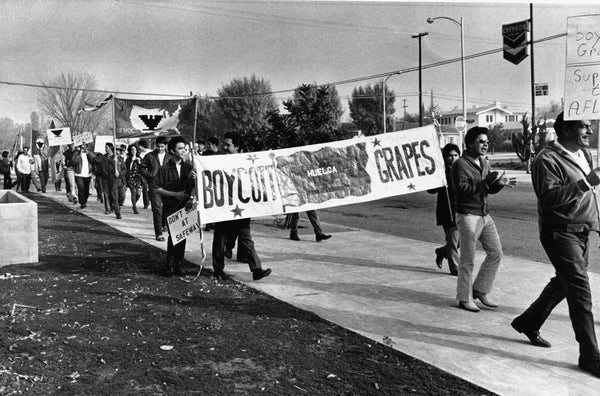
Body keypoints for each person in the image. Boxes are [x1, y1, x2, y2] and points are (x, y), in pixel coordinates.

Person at [511, 113, 600, 378]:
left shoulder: (585, 155)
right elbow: (550, 199)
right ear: (566, 128)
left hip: (582, 230)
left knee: (565, 282)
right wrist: (586, 182)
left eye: (590, 125)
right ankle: (590, 356)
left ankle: (528, 321)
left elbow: (590, 196)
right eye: (584, 125)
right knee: (580, 291)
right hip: (560, 232)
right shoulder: (546, 159)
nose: (590, 130)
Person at [452, 127, 515, 312]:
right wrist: (486, 183)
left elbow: (487, 189)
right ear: (470, 143)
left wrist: (498, 185)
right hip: (467, 216)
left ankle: (480, 289)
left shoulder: (484, 162)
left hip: (484, 215)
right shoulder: (460, 164)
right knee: (467, 259)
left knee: (496, 253)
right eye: (481, 141)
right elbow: (461, 191)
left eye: (487, 142)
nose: (485, 144)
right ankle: (464, 298)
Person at [212, 132, 272, 282]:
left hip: (243, 208)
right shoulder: (217, 161)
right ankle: (218, 270)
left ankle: (256, 270)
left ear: (237, 146)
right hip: (224, 208)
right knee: (220, 239)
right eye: (224, 144)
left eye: (228, 145)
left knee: (246, 239)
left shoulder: (247, 162)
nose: (225, 147)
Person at [153, 136, 195, 276]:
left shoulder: (189, 167)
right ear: (172, 150)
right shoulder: (164, 168)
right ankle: (169, 265)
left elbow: (193, 187)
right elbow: (157, 188)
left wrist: (192, 195)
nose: (183, 151)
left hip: (186, 206)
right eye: (180, 148)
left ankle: (178, 265)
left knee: (182, 235)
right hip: (171, 206)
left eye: (184, 148)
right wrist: (174, 194)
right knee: (174, 235)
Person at [427, 143, 460, 276]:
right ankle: (455, 269)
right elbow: (431, 190)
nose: (453, 158)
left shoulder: (462, 169)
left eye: (455, 155)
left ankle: (442, 252)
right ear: (444, 157)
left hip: (462, 210)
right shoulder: (440, 171)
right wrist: (436, 180)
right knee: (452, 240)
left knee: (460, 241)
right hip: (447, 210)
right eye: (450, 156)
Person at [141, 136, 171, 241]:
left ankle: (164, 225)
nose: (160, 149)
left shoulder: (170, 156)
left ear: (166, 146)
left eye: (162, 147)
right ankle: (159, 234)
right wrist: (150, 175)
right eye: (158, 146)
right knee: (157, 209)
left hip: (168, 186)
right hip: (154, 186)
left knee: (167, 208)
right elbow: (141, 167)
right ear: (155, 145)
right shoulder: (149, 156)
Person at [98, 142, 126, 219]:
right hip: (112, 181)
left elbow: (124, 169)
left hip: (120, 181)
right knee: (115, 197)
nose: (117, 151)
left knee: (122, 197)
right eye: (115, 150)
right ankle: (117, 213)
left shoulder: (120, 159)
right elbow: (107, 169)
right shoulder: (109, 159)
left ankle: (117, 206)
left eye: (118, 150)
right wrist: (113, 163)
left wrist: (119, 173)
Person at [71, 143, 95, 209]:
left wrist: (88, 154)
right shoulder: (76, 153)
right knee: (81, 188)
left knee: (86, 189)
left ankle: (85, 200)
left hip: (88, 174)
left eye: (85, 146)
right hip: (79, 174)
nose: (83, 147)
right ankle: (82, 203)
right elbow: (73, 162)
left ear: (87, 147)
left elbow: (93, 161)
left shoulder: (90, 153)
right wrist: (79, 155)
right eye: (82, 146)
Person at [125, 144, 144, 214]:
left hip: (138, 177)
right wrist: (132, 161)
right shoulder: (128, 159)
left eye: (135, 149)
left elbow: (142, 168)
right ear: (130, 151)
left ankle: (134, 204)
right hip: (130, 177)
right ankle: (135, 208)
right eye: (132, 149)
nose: (133, 151)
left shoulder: (139, 158)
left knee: (138, 193)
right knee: (133, 192)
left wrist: (139, 162)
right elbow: (127, 168)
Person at [137, 139, 150, 209]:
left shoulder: (150, 152)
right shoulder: (139, 154)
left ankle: (150, 200)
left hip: (151, 173)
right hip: (143, 173)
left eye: (140, 145)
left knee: (151, 188)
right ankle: (146, 203)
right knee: (145, 188)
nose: (139, 147)